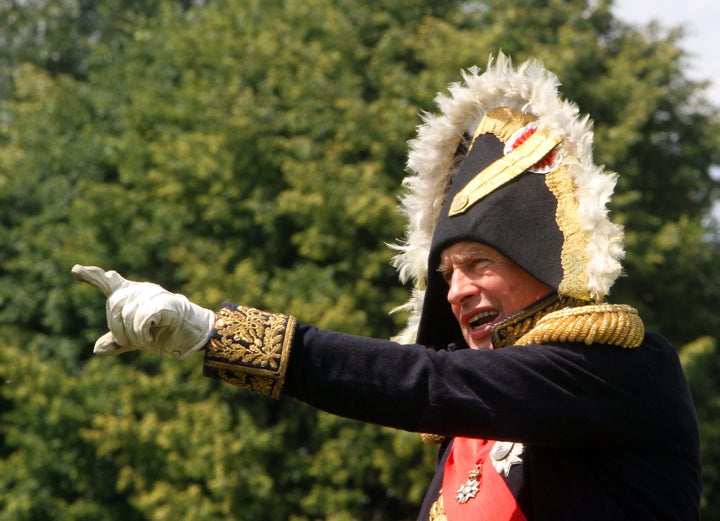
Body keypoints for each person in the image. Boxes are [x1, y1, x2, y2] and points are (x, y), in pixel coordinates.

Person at [72, 54, 702, 520]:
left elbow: (429, 382)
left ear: (543, 264)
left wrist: (212, 333)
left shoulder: (618, 369)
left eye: (479, 263)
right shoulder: (472, 426)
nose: (455, 292)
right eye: (446, 273)